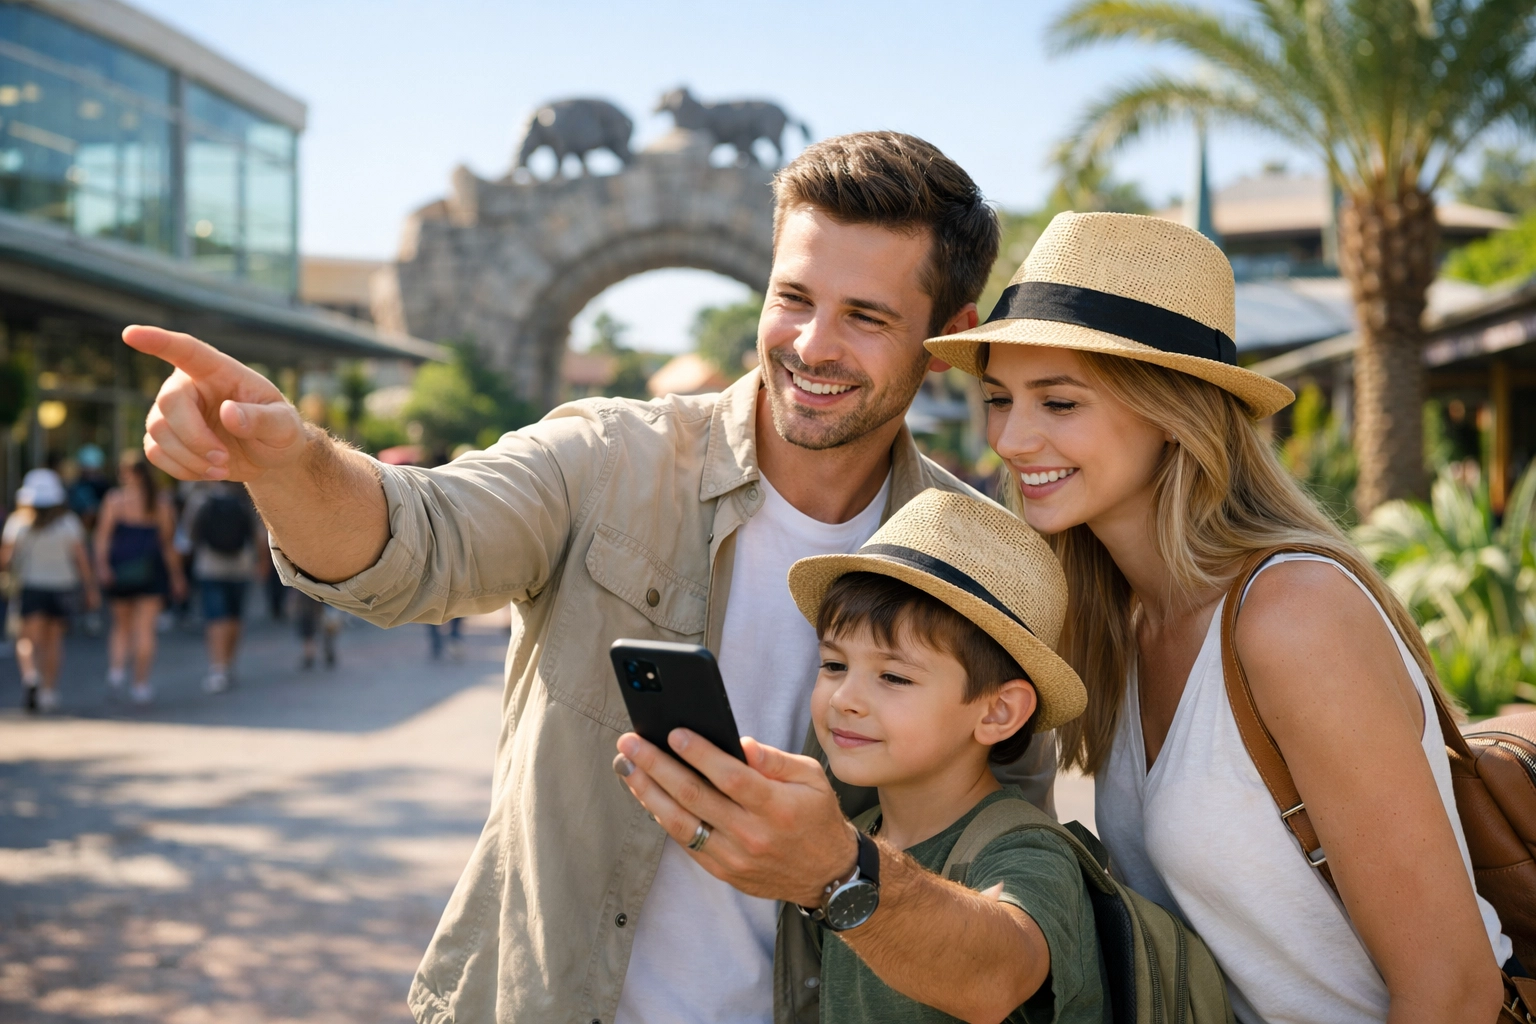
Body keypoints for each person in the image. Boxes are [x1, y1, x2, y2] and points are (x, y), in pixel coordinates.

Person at [122, 131, 1058, 1024]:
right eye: (793, 297)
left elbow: (1008, 886)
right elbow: (415, 540)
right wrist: (284, 461)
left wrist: (835, 870)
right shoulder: (607, 458)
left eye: (865, 316)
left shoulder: (978, 559)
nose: (811, 344)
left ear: (948, 336)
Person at [926, 211, 1510, 1021]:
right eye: (998, 398)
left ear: (1172, 410)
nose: (1013, 439)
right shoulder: (1116, 627)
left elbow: (1454, 990)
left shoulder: (1291, 615)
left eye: (1059, 402)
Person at [623, 489, 1106, 1023]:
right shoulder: (861, 830)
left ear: (998, 712)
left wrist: (837, 869)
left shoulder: (1029, 850)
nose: (845, 699)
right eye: (832, 665)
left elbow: (999, 974)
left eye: (893, 676)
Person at [1, 469, 98, 712]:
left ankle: (31, 676)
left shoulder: (18, 523)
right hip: (62, 587)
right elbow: (81, 559)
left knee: (27, 639)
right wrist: (90, 588)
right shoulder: (69, 523)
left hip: (30, 587)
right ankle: (48, 691)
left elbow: (6, 559)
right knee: (53, 642)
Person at [95, 453, 186, 704]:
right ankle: (140, 683)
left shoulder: (115, 500)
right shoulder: (161, 503)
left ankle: (116, 672)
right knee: (145, 629)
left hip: (120, 570)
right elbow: (168, 545)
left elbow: (103, 538)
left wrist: (102, 567)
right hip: (151, 572)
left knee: (120, 626)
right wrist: (177, 577)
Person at [185, 480, 266, 693]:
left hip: (209, 565)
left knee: (215, 618)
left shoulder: (200, 498)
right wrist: (263, 562)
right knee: (234, 617)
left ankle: (217, 668)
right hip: (241, 565)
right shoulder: (246, 498)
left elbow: (188, 534)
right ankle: (228, 664)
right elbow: (258, 534)